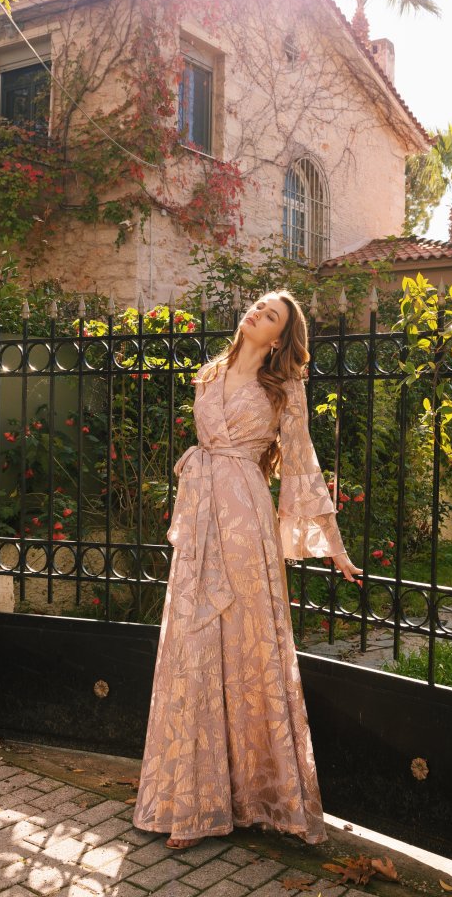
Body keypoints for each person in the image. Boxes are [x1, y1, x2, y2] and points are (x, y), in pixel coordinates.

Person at [133, 290, 361, 849]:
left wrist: (333, 546)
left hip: (244, 519)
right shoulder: (209, 373)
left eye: (271, 315)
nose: (258, 313)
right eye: (259, 307)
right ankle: (192, 800)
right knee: (192, 643)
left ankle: (254, 797)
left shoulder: (283, 388)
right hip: (200, 516)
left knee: (243, 643)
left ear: (280, 338)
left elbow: (302, 464)